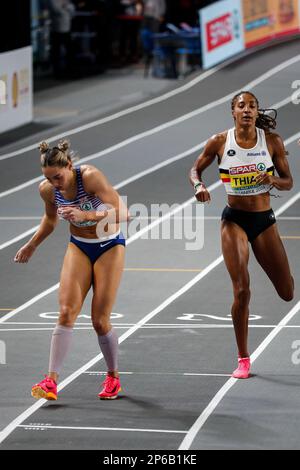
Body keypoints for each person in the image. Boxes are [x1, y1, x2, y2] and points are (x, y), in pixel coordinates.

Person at [189, 91, 294, 379]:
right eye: (241, 106)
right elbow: (195, 170)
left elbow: (288, 183)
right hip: (234, 220)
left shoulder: (271, 142)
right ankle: (243, 358)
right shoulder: (219, 142)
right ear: (233, 112)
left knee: (287, 292)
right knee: (242, 289)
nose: (247, 110)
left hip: (264, 220)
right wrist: (198, 186)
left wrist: (272, 178)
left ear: (257, 111)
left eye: (252, 106)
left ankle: (244, 355)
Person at [14, 140, 129, 400]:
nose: (55, 183)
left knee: (99, 321)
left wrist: (86, 215)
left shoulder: (89, 177)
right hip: (79, 246)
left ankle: (113, 377)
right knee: (66, 312)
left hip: (109, 246)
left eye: (58, 176)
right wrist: (32, 245)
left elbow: (124, 213)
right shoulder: (47, 190)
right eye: (49, 178)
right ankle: (51, 381)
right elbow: (50, 219)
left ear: (69, 166)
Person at [48, 0, 75, 78]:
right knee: (56, 50)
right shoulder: (53, 1)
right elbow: (56, 10)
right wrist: (65, 9)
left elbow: (72, 9)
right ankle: (57, 70)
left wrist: (65, 8)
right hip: (56, 29)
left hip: (67, 28)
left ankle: (69, 68)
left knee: (69, 49)